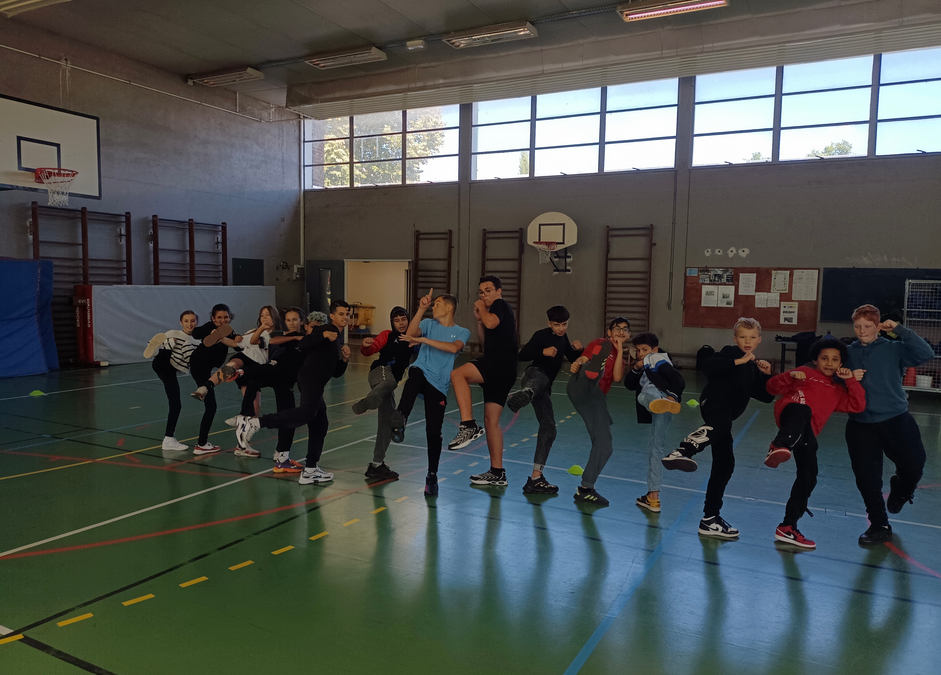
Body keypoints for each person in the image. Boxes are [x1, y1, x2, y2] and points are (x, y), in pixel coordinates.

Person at [662, 317, 774, 538]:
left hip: (724, 420)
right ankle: (683, 450)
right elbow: (709, 367)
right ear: (735, 338)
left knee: (726, 463)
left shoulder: (752, 367)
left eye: (752, 337)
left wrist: (767, 374)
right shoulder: (731, 352)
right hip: (714, 402)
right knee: (720, 424)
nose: (747, 341)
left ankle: (710, 518)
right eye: (742, 337)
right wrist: (738, 362)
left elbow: (766, 396)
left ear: (759, 340)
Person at [844, 304, 934, 545]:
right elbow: (831, 376)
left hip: (895, 419)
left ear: (878, 327)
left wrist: (900, 330)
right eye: (858, 326)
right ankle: (879, 524)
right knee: (866, 478)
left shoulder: (894, 348)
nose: (862, 331)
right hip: (860, 424)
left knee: (914, 465)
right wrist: (846, 377)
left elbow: (926, 354)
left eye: (867, 326)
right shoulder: (846, 352)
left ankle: (901, 490)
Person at [235, 301, 352, 485]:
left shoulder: (336, 337)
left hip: (316, 382)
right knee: (306, 413)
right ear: (332, 315)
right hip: (309, 379)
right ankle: (257, 422)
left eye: (348, 314)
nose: (345, 317)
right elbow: (305, 342)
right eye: (342, 314)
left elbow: (335, 372)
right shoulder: (328, 329)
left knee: (320, 423)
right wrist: (323, 335)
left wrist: (344, 359)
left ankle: (310, 470)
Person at [765, 337, 866, 550]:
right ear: (815, 359)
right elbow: (771, 387)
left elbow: (857, 405)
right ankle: (778, 445)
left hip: (807, 433)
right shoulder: (804, 373)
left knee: (809, 476)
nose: (829, 363)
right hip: (790, 415)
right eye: (824, 358)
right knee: (803, 410)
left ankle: (788, 526)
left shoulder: (837, 390)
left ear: (841, 363)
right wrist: (789, 375)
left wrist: (850, 381)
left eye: (834, 359)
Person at [388, 290, 470, 497]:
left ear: (449, 307)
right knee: (415, 372)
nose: (434, 306)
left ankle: (431, 476)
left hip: (439, 384)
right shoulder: (427, 324)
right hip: (422, 372)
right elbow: (412, 332)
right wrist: (421, 308)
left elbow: (453, 348)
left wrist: (425, 341)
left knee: (434, 433)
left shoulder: (462, 331)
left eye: (437, 303)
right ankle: (401, 418)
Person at [448, 275, 518, 487]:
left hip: (499, 364)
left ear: (499, 291)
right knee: (491, 421)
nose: (484, 295)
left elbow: (491, 321)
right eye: (481, 292)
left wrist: (483, 310)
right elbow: (484, 338)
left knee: (457, 374)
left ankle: (468, 425)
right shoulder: (492, 311)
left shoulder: (501, 305)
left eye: (488, 290)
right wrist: (479, 320)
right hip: (503, 371)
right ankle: (497, 472)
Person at [508, 305, 583, 494]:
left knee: (549, 429)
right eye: (557, 325)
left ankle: (535, 478)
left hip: (544, 388)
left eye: (564, 324)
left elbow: (573, 357)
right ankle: (527, 393)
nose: (561, 328)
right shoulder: (541, 335)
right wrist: (543, 352)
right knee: (540, 380)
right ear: (549, 323)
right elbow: (522, 355)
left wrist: (579, 350)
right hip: (533, 375)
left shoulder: (563, 338)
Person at [231, 307, 309, 471]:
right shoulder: (277, 335)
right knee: (254, 379)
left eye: (295, 320)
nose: (291, 323)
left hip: (287, 381)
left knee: (287, 418)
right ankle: (245, 415)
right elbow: (269, 341)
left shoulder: (306, 339)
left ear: (302, 321)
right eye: (288, 320)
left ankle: (282, 455)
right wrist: (293, 337)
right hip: (274, 371)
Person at [567, 317, 628, 506]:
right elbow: (583, 358)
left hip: (595, 400)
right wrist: (577, 363)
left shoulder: (621, 357)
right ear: (609, 332)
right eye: (616, 328)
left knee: (605, 445)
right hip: (580, 385)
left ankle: (586, 488)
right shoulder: (599, 343)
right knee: (590, 370)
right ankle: (592, 373)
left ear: (628, 335)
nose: (620, 332)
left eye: (625, 330)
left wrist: (619, 352)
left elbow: (617, 378)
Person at [353, 306, 417, 481]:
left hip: (386, 387)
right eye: (397, 320)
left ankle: (376, 465)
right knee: (389, 381)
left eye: (403, 319)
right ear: (392, 322)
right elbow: (370, 350)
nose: (401, 323)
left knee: (386, 423)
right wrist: (366, 346)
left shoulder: (412, 339)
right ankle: (368, 401)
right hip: (379, 372)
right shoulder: (387, 335)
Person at [624, 332, 685, 513]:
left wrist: (673, 397)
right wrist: (636, 367)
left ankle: (661, 403)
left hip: (664, 400)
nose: (641, 353)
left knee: (644, 395)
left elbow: (678, 380)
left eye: (645, 350)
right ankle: (653, 497)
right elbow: (628, 384)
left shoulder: (657, 359)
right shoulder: (642, 364)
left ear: (655, 350)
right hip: (663, 408)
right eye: (638, 350)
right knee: (655, 448)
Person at [188, 304, 242, 455]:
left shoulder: (229, 332)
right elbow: (196, 333)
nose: (223, 320)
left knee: (211, 407)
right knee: (211, 407)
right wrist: (211, 331)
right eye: (219, 317)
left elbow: (238, 347)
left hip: (207, 368)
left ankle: (202, 443)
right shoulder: (210, 326)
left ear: (230, 318)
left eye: (226, 317)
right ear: (213, 318)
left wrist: (238, 340)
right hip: (199, 366)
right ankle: (201, 444)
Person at [144, 310, 199, 451]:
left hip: (168, 368)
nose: (190, 324)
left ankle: (169, 438)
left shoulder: (196, 340)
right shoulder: (172, 333)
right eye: (186, 321)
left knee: (176, 404)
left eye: (192, 321)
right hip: (164, 364)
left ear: (197, 322)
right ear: (181, 322)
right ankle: (168, 439)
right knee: (176, 404)